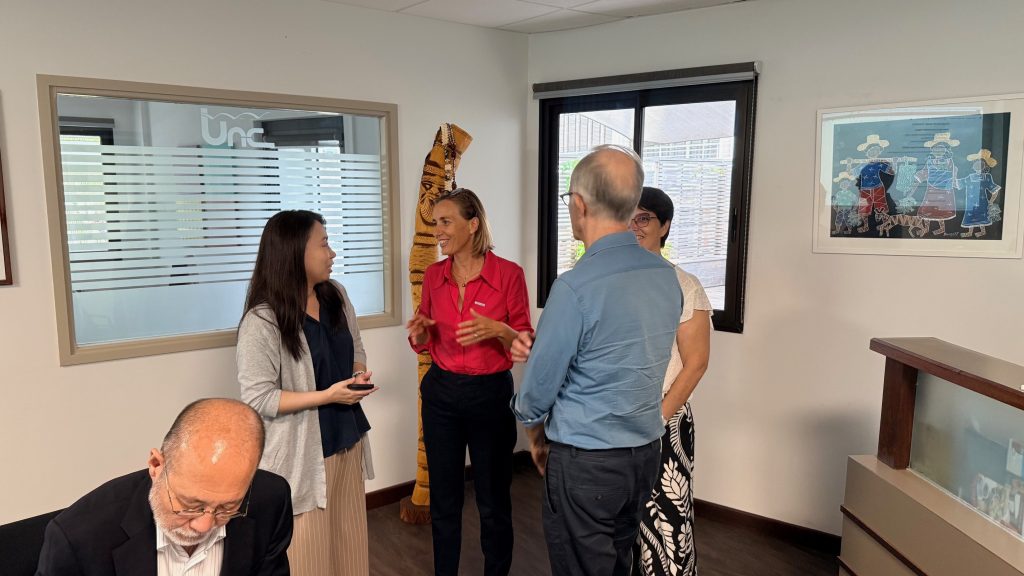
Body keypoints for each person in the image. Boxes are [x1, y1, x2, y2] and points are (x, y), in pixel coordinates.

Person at [510, 145, 682, 576]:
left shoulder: (574, 287)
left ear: (580, 204)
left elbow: (535, 395)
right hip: (644, 454)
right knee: (619, 562)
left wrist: (530, 421)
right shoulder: (665, 277)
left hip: (587, 461)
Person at [238, 210, 376, 576]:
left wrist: (357, 376)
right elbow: (259, 398)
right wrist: (327, 396)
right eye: (324, 244)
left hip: (348, 441)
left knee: (350, 551)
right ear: (295, 252)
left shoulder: (336, 295)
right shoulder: (262, 321)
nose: (332, 254)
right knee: (309, 559)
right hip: (302, 458)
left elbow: (357, 347)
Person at [406, 188, 533, 576]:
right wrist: (421, 333)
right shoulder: (434, 275)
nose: (438, 231)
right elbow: (423, 339)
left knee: (493, 501)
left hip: (489, 396)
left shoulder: (509, 274)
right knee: (444, 502)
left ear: (473, 224)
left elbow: (525, 344)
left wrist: (500, 330)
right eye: (436, 223)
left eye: (446, 222)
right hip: (441, 394)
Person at [36, 398, 293, 576]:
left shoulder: (270, 501)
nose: (204, 525)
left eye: (227, 508)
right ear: (156, 465)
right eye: (190, 505)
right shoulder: (79, 537)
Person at [629, 187, 713, 576]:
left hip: (665, 414)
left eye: (644, 218)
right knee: (618, 519)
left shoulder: (684, 284)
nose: (634, 226)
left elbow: (696, 363)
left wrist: (658, 417)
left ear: (664, 226)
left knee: (667, 521)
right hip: (616, 414)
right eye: (628, 218)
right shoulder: (610, 280)